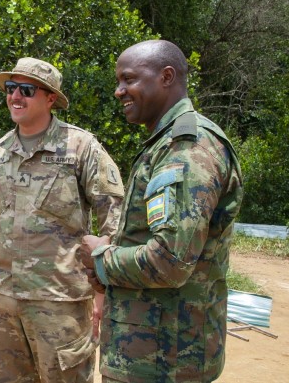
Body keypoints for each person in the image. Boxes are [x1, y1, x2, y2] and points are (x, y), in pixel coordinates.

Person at [78, 40, 243, 382]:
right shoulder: (166, 143)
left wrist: (101, 259)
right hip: (153, 353)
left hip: (163, 361)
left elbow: (169, 262)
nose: (118, 91)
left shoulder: (187, 148)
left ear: (166, 77)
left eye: (129, 79)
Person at [0, 57, 125, 382]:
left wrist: (105, 285)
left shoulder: (80, 147)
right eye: (11, 88)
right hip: (7, 299)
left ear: (50, 98)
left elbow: (114, 215)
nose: (15, 97)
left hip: (61, 301)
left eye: (27, 89)